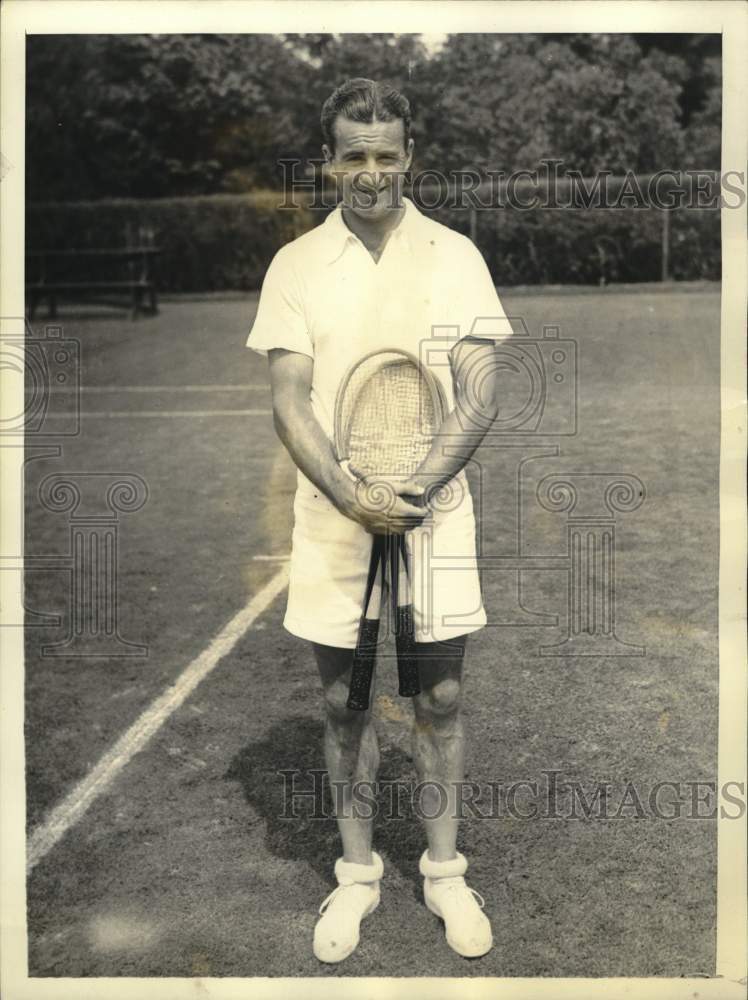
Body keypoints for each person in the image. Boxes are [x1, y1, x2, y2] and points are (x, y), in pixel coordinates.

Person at [246, 78, 511, 963]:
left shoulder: (455, 253)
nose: (370, 173)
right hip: (333, 516)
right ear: (330, 161)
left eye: (385, 156)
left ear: (409, 157)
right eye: (352, 156)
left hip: (435, 513)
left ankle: (443, 875)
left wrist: (413, 490)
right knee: (341, 701)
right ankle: (356, 879)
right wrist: (354, 495)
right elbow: (290, 402)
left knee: (439, 696)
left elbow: (479, 396)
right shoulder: (295, 266)